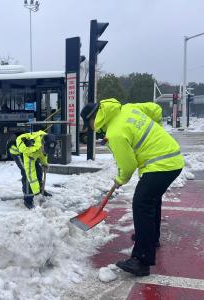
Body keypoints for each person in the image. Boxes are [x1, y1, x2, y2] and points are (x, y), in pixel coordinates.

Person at [80, 98, 184, 277]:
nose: (90, 126)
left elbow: (128, 166)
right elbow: (155, 109)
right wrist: (156, 132)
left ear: (93, 118)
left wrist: (120, 179)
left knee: (141, 204)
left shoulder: (115, 133)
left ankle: (141, 260)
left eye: (88, 123)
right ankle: (151, 238)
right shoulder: (127, 108)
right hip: (172, 158)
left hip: (160, 164)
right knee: (151, 199)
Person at [8, 130, 56, 209]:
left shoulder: (45, 138)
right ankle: (28, 199)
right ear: (42, 145)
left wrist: (44, 163)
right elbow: (30, 172)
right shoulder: (30, 148)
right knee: (27, 176)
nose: (46, 152)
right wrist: (36, 192)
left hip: (32, 152)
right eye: (45, 150)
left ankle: (40, 190)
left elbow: (43, 154)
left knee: (39, 170)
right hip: (19, 152)